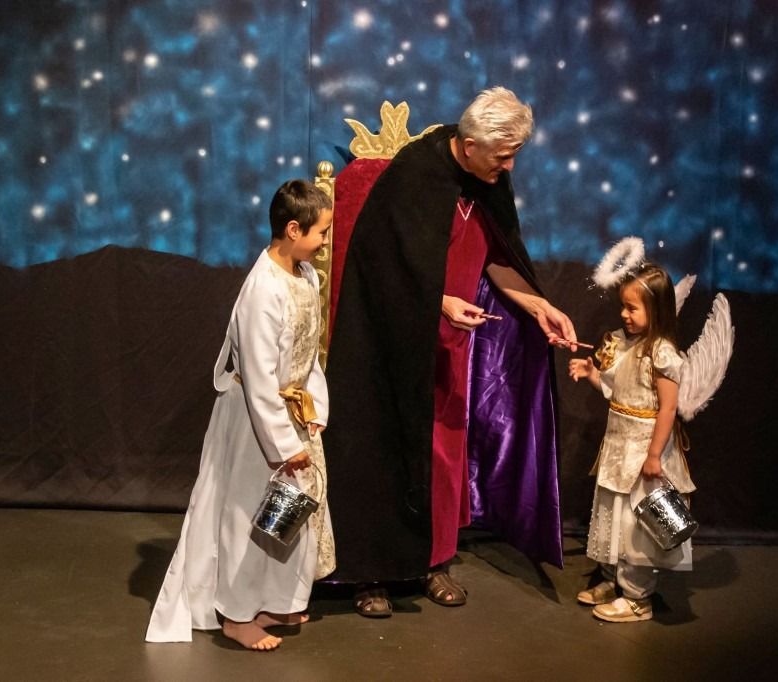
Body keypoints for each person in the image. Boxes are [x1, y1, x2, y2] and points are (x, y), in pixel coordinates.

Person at [324, 87, 578, 617]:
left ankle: (433, 561)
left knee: (444, 453)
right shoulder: (414, 175)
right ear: (469, 144)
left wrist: (539, 306)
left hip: (449, 344)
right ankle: (371, 572)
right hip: (390, 341)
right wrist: (438, 303)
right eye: (502, 156)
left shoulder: (488, 181)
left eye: (514, 155)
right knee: (383, 447)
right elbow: (381, 266)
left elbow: (497, 258)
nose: (509, 167)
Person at [146, 180, 336, 649]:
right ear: (293, 230)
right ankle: (236, 615)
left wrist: (314, 407)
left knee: (287, 512)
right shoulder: (263, 291)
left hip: (292, 414)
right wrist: (284, 445)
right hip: (257, 422)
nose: (325, 242)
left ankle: (274, 600)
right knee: (246, 512)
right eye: (321, 232)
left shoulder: (305, 276)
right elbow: (257, 375)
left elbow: (308, 354)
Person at [567, 262, 696, 622]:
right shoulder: (625, 345)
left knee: (637, 527)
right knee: (614, 515)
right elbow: (617, 392)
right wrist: (592, 373)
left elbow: (667, 408)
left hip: (643, 451)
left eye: (632, 308)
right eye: (622, 306)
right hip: (618, 448)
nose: (624, 314)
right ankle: (613, 579)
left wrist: (654, 455)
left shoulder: (662, 353)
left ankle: (638, 597)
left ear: (657, 310)